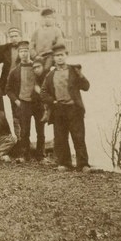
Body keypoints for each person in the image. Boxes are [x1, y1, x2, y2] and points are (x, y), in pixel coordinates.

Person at [40, 44, 91, 172]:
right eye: (57, 56)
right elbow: (43, 92)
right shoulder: (50, 75)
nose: (59, 58)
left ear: (66, 56)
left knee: (78, 137)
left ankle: (83, 164)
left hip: (74, 109)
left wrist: (81, 75)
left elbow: (86, 87)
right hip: (58, 110)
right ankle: (65, 163)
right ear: (53, 58)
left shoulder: (74, 71)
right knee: (61, 138)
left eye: (61, 55)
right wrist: (53, 101)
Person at [5, 40, 41, 162]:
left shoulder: (36, 68)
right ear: (18, 54)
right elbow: (8, 90)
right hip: (23, 103)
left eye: (26, 51)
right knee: (25, 131)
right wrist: (16, 101)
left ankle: (41, 155)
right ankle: (25, 155)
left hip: (37, 103)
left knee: (40, 130)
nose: (24, 54)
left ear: (29, 52)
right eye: (21, 52)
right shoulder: (15, 71)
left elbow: (45, 85)